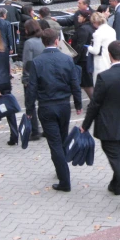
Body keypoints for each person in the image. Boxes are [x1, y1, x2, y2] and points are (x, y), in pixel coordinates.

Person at [81, 41, 120, 210]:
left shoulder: (104, 77)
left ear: (109, 55)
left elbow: (95, 104)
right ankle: (115, 185)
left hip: (107, 124)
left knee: (116, 159)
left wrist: (85, 125)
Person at [26, 29, 82, 192]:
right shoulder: (66, 59)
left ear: (44, 42)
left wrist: (29, 108)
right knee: (63, 139)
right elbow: (74, 83)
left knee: (54, 143)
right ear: (57, 41)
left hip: (46, 106)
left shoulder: (37, 62)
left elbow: (32, 88)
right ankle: (61, 170)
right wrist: (78, 104)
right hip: (64, 105)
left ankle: (64, 179)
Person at [22, 20, 45, 140]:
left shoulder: (29, 43)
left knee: (30, 105)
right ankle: (46, 129)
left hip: (32, 78)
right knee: (43, 103)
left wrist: (25, 79)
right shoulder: (43, 40)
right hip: (44, 76)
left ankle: (35, 130)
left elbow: (27, 62)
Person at [72, 9, 95, 98]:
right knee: (87, 81)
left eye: (80, 15)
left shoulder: (83, 29)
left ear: (84, 18)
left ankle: (94, 101)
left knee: (86, 82)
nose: (78, 17)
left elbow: (80, 46)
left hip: (83, 59)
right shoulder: (90, 27)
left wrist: (74, 59)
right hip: (88, 57)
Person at [89, 11, 117, 84]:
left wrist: (88, 48)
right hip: (111, 58)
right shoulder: (112, 30)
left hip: (101, 61)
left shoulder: (97, 33)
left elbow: (95, 51)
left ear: (95, 22)